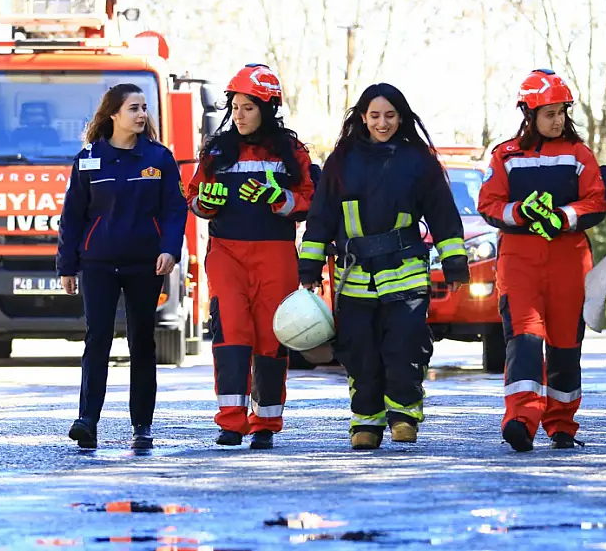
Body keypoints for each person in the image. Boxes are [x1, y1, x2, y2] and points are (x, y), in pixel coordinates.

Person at [298, 83, 469, 450]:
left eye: (390, 115)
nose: (382, 123)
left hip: (404, 269)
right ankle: (366, 422)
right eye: (374, 115)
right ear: (362, 117)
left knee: (405, 345)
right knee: (359, 350)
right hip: (354, 276)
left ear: (401, 117)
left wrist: (455, 264)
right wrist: (308, 270)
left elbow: (441, 212)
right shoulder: (341, 161)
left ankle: (404, 417)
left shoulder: (417, 160)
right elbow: (321, 217)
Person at [477, 69, 606, 452]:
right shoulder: (505, 155)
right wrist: (521, 212)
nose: (558, 120)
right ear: (529, 113)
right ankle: (521, 420)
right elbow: (489, 204)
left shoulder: (579, 154)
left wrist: (565, 216)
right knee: (524, 340)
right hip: (520, 262)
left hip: (570, 261)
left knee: (566, 345)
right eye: (550, 113)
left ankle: (562, 424)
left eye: (562, 112)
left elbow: (598, 199)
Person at [186, 64, 315, 450]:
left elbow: (309, 200)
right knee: (232, 333)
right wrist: (204, 205)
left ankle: (265, 423)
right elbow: (194, 195)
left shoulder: (292, 152)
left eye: (248, 107)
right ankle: (230, 422)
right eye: (235, 107)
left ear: (268, 108)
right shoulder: (217, 150)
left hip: (275, 254)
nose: (239, 115)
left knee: (271, 339)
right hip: (227, 253)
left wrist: (279, 199)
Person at [56, 83, 188, 450]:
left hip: (146, 264)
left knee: (141, 343)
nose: (142, 114)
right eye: (134, 108)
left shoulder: (159, 159)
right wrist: (67, 266)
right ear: (113, 114)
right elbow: (73, 216)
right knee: (96, 339)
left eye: (144, 108)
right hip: (98, 264)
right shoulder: (88, 159)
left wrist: (170, 250)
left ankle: (142, 426)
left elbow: (175, 210)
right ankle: (87, 421)